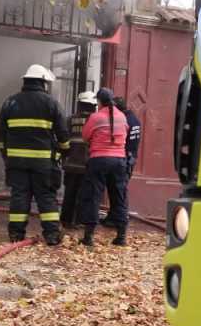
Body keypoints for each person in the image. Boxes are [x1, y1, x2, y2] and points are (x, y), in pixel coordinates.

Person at [0, 64, 70, 245]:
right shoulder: (51, 103)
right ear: (42, 83)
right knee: (46, 196)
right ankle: (52, 235)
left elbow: (1, 133)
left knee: (19, 196)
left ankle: (16, 234)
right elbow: (62, 133)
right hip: (43, 162)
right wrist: (64, 151)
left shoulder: (10, 102)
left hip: (17, 162)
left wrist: (7, 155)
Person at [78, 88, 129, 246]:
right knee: (119, 196)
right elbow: (125, 134)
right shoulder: (122, 116)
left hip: (99, 160)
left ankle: (89, 236)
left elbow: (85, 136)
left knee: (93, 196)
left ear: (99, 101)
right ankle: (121, 236)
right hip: (119, 160)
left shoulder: (96, 117)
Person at [100, 96, 143, 228]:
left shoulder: (124, 120)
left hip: (123, 158)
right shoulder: (135, 119)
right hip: (130, 158)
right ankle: (115, 217)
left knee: (118, 190)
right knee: (118, 190)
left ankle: (119, 220)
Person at [60, 91, 98, 228]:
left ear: (79, 104)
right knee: (85, 194)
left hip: (71, 163)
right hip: (88, 163)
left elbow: (63, 138)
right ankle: (80, 221)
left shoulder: (70, 119)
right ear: (93, 105)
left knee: (70, 192)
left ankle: (66, 219)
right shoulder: (96, 120)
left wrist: (63, 158)